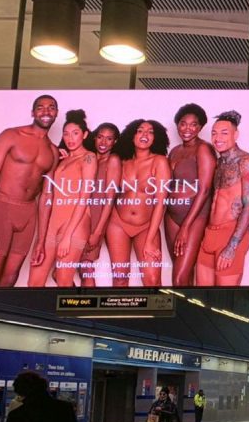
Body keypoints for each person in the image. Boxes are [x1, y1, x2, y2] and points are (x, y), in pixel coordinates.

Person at [0, 95, 60, 287]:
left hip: (28, 215)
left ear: (56, 113)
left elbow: (46, 196)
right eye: (41, 107)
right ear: (33, 112)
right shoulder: (11, 136)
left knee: (8, 284)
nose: (46, 111)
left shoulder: (53, 151)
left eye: (51, 108)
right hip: (2, 208)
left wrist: (41, 241)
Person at [27, 110, 96, 287]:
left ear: (85, 135)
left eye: (75, 133)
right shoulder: (62, 159)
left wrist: (67, 236)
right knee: (34, 282)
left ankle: (69, 315)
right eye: (66, 134)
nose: (70, 138)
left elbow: (84, 197)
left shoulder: (89, 157)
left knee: (64, 281)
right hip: (53, 223)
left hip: (76, 224)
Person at [197, 111, 249, 286]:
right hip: (210, 234)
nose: (218, 138)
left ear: (235, 135)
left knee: (223, 298)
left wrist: (232, 246)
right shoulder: (218, 163)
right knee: (200, 296)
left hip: (230, 234)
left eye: (224, 133)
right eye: (214, 133)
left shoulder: (246, 162)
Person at [108, 119, 171, 287]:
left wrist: (150, 240)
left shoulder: (160, 161)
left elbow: (161, 203)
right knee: (120, 279)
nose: (145, 135)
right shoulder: (122, 161)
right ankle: (121, 313)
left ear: (155, 138)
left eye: (150, 132)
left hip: (146, 226)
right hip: (118, 223)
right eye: (140, 130)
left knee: (152, 280)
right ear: (131, 135)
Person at [166, 104, 217, 286]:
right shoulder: (174, 151)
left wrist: (185, 227)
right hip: (171, 217)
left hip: (194, 217)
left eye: (193, 124)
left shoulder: (203, 149)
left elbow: (204, 189)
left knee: (179, 279)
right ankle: (186, 312)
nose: (187, 129)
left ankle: (182, 314)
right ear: (177, 125)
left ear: (200, 127)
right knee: (182, 275)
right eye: (183, 124)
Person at [79, 122, 121, 286]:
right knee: (67, 270)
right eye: (100, 137)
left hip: (97, 219)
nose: (103, 143)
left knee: (86, 267)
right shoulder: (89, 157)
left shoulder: (113, 160)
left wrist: (97, 232)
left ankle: (88, 308)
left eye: (109, 139)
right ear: (94, 138)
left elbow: (110, 198)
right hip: (81, 217)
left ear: (115, 142)